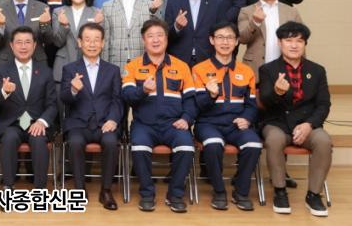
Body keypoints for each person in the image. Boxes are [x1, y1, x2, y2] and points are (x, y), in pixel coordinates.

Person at [122, 19, 196, 213]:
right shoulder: (133, 66)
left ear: (166, 38)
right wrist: (143, 91)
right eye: (150, 36)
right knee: (139, 147)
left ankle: (175, 195)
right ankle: (147, 194)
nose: (155, 40)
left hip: (174, 124)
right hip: (144, 124)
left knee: (186, 147)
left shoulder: (182, 66)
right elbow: (127, 96)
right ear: (143, 40)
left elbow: (191, 99)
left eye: (159, 35)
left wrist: (186, 119)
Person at [259, 22, 332, 217]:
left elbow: (324, 104)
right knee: (274, 139)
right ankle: (280, 191)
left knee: (324, 141)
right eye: (289, 40)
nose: (294, 45)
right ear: (280, 43)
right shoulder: (267, 70)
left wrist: (309, 125)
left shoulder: (317, 71)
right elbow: (265, 101)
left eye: (299, 41)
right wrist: (277, 92)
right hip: (277, 122)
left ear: (305, 44)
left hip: (307, 123)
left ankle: (313, 195)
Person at [192, 22, 261, 211]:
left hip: (236, 125)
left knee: (254, 144)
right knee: (213, 144)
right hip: (208, 123)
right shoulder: (199, 69)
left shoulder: (246, 71)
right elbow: (197, 105)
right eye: (220, 37)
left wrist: (247, 118)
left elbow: (251, 104)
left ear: (237, 41)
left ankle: (241, 191)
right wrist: (211, 95)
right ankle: (219, 191)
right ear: (211, 40)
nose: (225, 42)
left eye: (230, 38)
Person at [60, 23, 123, 210]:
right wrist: (73, 89)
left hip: (105, 123)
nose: (92, 44)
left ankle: (106, 191)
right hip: (79, 124)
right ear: (80, 43)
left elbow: (117, 99)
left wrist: (113, 119)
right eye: (87, 40)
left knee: (111, 142)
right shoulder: (70, 69)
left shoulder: (113, 70)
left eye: (96, 40)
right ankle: (79, 190)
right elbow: (64, 98)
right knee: (75, 143)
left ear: (103, 43)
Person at [0, 26, 57, 190]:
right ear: (11, 46)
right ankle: (8, 187)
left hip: (36, 123)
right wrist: (4, 91)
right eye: (19, 42)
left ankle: (40, 190)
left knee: (39, 139)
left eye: (27, 42)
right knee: (9, 138)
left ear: (34, 45)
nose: (23, 46)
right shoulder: (1, 70)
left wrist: (42, 122)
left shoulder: (45, 71)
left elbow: (52, 104)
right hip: (11, 123)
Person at [238, 0, 303, 77]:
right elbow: (242, 38)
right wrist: (255, 22)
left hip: (287, 69)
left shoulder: (291, 11)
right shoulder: (246, 11)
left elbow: (302, 40)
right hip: (256, 69)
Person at [165, 0, 228, 66]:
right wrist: (177, 27)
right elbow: (166, 36)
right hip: (179, 61)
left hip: (208, 60)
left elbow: (222, 33)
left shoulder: (217, 2)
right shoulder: (173, 2)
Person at [103, 0, 162, 70]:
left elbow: (159, 34)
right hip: (115, 64)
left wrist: (155, 11)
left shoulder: (150, 5)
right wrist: (105, 68)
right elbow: (106, 40)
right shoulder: (107, 6)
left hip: (144, 64)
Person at [51, 0, 103, 83]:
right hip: (63, 66)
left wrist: (99, 24)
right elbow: (57, 43)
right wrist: (64, 26)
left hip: (89, 67)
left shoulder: (97, 13)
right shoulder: (58, 12)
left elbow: (101, 42)